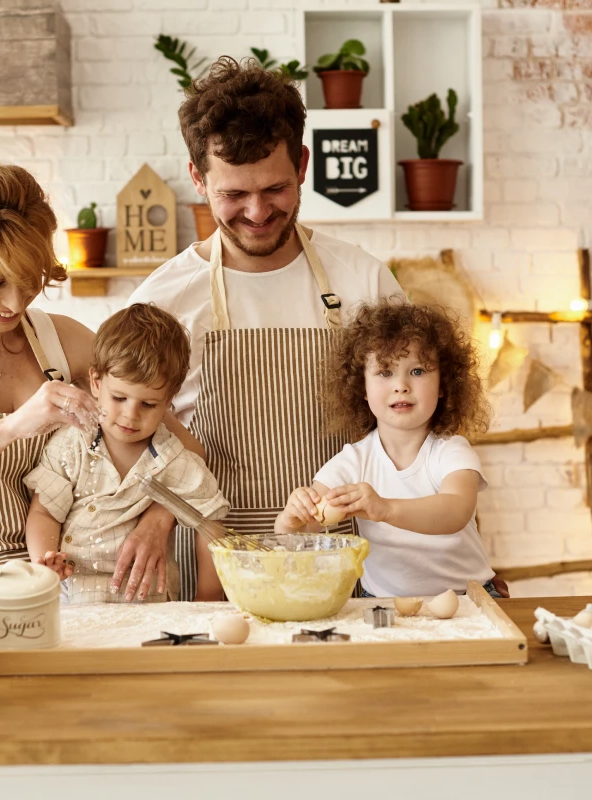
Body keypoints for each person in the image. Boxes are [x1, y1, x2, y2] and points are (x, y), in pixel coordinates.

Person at [127, 57, 404, 600]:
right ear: (198, 179)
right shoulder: (162, 300)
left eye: (274, 188)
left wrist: (464, 550)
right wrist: (156, 514)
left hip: (344, 558)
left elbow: (419, 429)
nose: (256, 212)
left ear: (302, 164)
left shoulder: (364, 280)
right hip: (213, 562)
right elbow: (125, 433)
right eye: (233, 195)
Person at [0, 150, 199, 600]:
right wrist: (11, 427)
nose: (14, 302)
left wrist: (158, 518)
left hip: (64, 592)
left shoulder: (66, 341)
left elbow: (186, 449)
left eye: (28, 279)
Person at [275, 300, 504, 599]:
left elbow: (455, 511)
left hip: (468, 598)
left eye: (418, 371)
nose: (401, 385)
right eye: (385, 373)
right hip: (385, 605)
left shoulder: (450, 450)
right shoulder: (353, 461)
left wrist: (384, 508)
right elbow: (308, 529)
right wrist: (289, 522)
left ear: (444, 384)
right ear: (362, 388)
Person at [22, 304, 229, 603]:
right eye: (119, 398)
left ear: (169, 400)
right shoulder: (72, 445)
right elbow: (44, 511)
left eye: (148, 405)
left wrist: (206, 600)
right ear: (95, 382)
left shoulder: (176, 462)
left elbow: (210, 526)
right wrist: (45, 561)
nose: (130, 416)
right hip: (75, 599)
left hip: (149, 607)